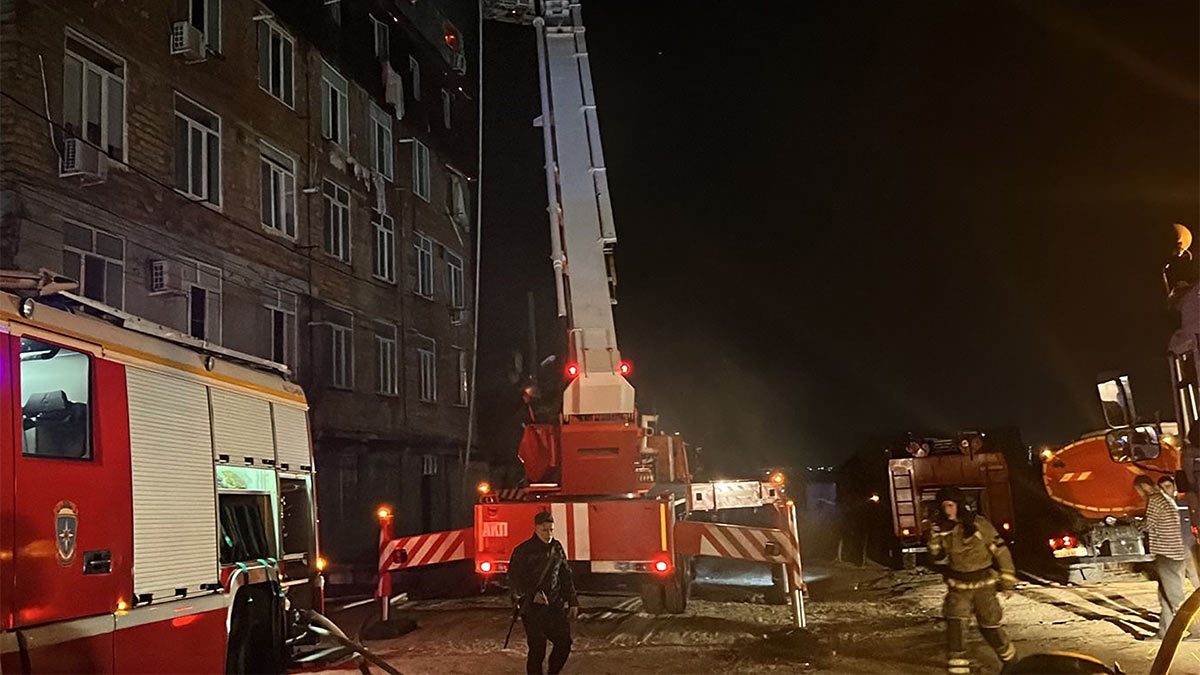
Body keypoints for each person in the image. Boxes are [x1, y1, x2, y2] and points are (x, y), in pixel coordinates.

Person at [927, 487, 1018, 673]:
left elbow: (1001, 551)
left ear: (959, 506)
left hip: (984, 586)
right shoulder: (942, 529)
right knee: (956, 628)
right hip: (958, 588)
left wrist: (1007, 580)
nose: (947, 511)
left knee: (990, 627)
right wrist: (934, 539)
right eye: (944, 506)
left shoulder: (979, 525)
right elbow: (937, 559)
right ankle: (959, 670)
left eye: (951, 506)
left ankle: (1012, 663)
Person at [508, 511, 578, 674]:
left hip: (554, 604)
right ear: (536, 529)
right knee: (538, 647)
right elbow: (514, 579)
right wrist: (532, 594)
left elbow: (565, 575)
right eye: (544, 530)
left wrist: (573, 601)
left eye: (551, 530)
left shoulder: (556, 548)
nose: (548, 534)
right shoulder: (523, 550)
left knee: (564, 643)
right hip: (532, 607)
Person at [1133, 474, 1188, 640]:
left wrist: (1136, 524)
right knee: (1164, 595)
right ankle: (1165, 632)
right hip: (1176, 552)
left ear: (1143, 487)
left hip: (1167, 553)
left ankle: (1196, 628)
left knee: (1175, 597)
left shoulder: (1154, 500)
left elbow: (1149, 525)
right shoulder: (1165, 499)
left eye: (1138, 490)